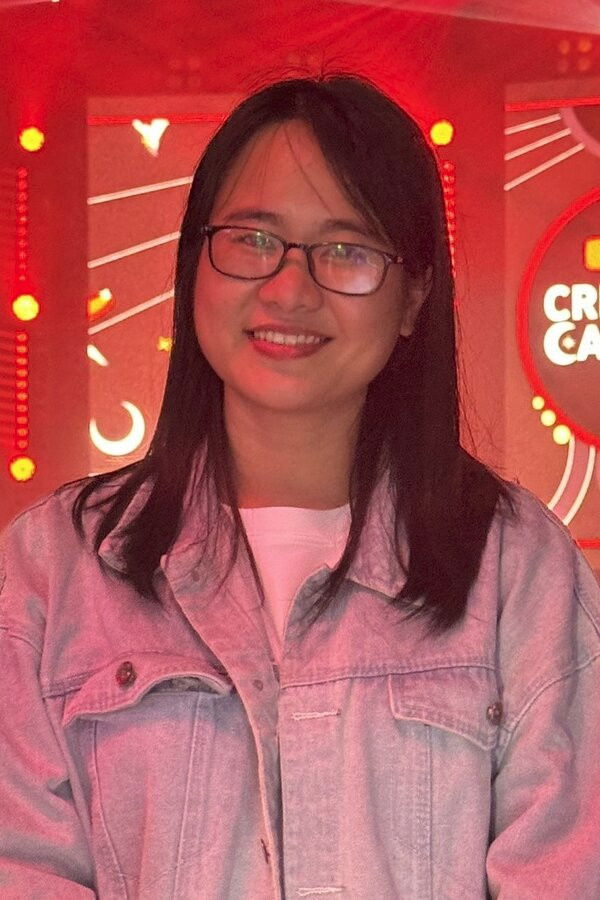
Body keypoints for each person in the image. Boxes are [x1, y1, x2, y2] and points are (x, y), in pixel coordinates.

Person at [0, 75, 599, 900]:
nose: (289, 289)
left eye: (346, 250)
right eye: (252, 239)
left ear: (414, 295)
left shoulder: (516, 571)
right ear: (195, 265)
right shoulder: (53, 569)